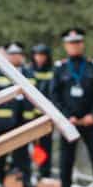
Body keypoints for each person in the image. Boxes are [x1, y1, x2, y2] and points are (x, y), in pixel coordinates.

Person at [51, 28, 93, 187]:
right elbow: (55, 96)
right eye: (71, 43)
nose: (75, 46)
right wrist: (67, 117)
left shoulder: (92, 67)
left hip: (89, 122)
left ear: (82, 44)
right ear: (66, 46)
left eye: (78, 42)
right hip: (70, 124)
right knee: (66, 162)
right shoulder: (60, 69)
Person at [0, 43, 36, 187]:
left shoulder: (29, 74)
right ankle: (0, 180)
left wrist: (35, 118)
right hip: (3, 122)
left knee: (24, 154)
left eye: (17, 54)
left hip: (23, 120)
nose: (15, 57)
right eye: (12, 54)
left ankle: (26, 181)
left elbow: (35, 99)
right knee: (2, 153)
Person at [29, 43, 55, 180]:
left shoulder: (52, 71)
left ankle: (44, 169)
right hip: (31, 114)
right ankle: (31, 168)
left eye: (42, 55)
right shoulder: (29, 70)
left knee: (46, 142)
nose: (39, 58)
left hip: (46, 113)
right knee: (32, 143)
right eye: (37, 55)